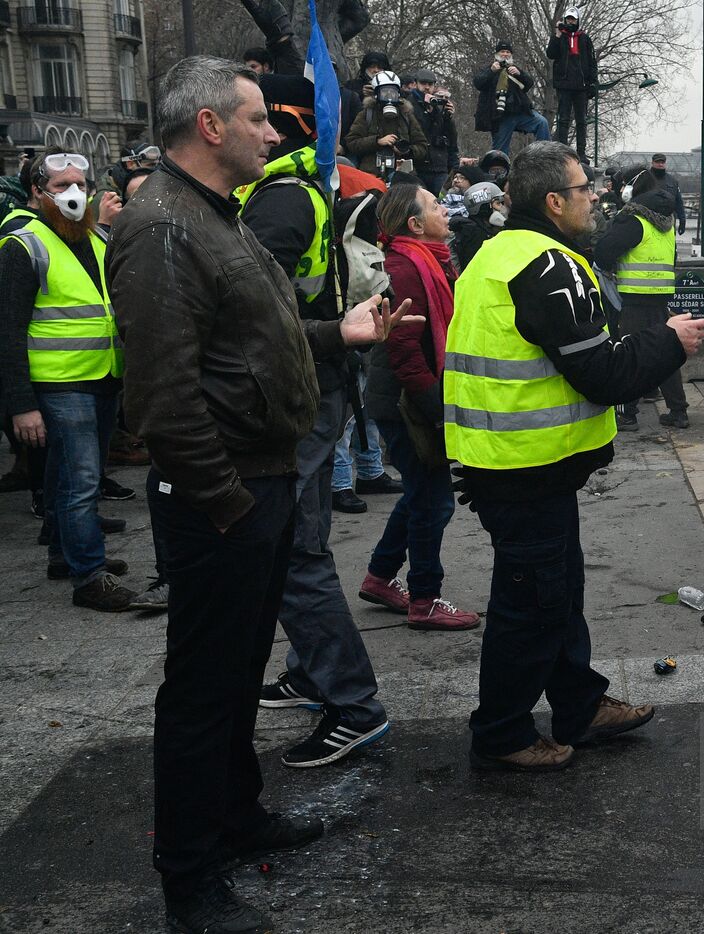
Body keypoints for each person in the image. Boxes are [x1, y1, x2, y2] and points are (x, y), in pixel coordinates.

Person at [108, 55, 415, 931]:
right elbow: (163, 398)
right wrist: (228, 504)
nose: (273, 134)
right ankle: (190, 879)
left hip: (260, 481)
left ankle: (236, 816)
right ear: (210, 126)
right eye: (255, 120)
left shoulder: (215, 216)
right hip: (225, 495)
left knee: (239, 673)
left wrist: (338, 331)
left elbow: (249, 337)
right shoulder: (162, 225)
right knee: (203, 690)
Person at [444, 141, 704, 771]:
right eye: (585, 188)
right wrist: (670, 342)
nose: (596, 197)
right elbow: (603, 375)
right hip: (524, 465)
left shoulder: (499, 253)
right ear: (555, 201)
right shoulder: (548, 265)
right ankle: (503, 731)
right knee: (531, 603)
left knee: (555, 592)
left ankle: (580, 704)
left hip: (516, 461)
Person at [236, 73, 395, 768]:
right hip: (318, 382)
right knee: (305, 544)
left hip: (300, 386)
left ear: (280, 124)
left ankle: (353, 704)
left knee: (295, 557)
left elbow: (250, 317)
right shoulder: (304, 187)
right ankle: (310, 670)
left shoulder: (280, 200)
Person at [0, 150, 134, 610]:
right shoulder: (22, 245)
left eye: (81, 184)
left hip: (102, 376)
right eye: (61, 187)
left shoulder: (97, 237)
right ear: (39, 193)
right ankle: (89, 574)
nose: (74, 194)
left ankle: (65, 554)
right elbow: (8, 331)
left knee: (68, 474)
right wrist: (21, 403)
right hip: (59, 383)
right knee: (80, 481)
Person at [359, 181, 481, 630]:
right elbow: (405, 354)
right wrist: (440, 409)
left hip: (408, 396)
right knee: (434, 502)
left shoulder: (426, 260)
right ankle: (424, 599)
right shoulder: (406, 268)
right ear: (414, 223)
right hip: (406, 401)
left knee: (419, 493)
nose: (445, 211)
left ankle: (379, 578)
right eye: (435, 206)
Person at [595, 166, 687, 429]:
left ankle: (627, 413)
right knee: (666, 350)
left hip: (633, 297)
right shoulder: (666, 220)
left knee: (628, 354)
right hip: (660, 295)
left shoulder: (632, 218)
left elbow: (604, 251)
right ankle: (678, 411)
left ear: (632, 186)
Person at [344, 69, 429, 178]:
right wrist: (377, 141)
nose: (389, 96)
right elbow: (352, 142)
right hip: (371, 173)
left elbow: (422, 146)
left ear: (398, 94)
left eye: (393, 92)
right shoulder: (366, 114)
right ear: (376, 94)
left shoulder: (406, 116)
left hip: (402, 174)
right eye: (384, 92)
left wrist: (407, 150)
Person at [472, 42, 551, 154]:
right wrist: (491, 71)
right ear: (497, 54)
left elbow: (529, 84)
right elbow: (478, 83)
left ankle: (545, 155)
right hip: (500, 116)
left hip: (520, 112)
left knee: (542, 122)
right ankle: (498, 171)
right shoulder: (489, 68)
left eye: (508, 52)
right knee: (499, 152)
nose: (505, 54)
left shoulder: (514, 69)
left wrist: (520, 74)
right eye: (502, 51)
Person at [546, 6, 597, 161]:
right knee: (563, 119)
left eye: (573, 19)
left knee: (582, 120)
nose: (570, 21)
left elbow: (592, 61)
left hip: (581, 86)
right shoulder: (560, 37)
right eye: (568, 19)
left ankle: (581, 152)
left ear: (578, 20)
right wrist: (557, 34)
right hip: (564, 84)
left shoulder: (585, 38)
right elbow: (551, 54)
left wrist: (593, 83)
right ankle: (562, 151)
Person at [408, 71, 460, 196]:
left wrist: (447, 116)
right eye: (423, 83)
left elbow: (451, 137)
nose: (426, 87)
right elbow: (418, 131)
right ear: (415, 84)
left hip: (439, 165)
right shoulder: (409, 105)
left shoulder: (439, 104)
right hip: (418, 165)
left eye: (430, 84)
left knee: (443, 199)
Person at [448, 180, 507, 272]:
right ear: (485, 207)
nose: (502, 208)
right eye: (498, 203)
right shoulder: (475, 234)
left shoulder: (484, 229)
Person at [649, 152, 686, 234]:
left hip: (668, 222)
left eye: (662, 162)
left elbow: (678, 202)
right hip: (649, 221)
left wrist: (682, 220)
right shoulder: (645, 179)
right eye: (658, 162)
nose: (660, 165)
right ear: (652, 163)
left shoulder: (673, 181)